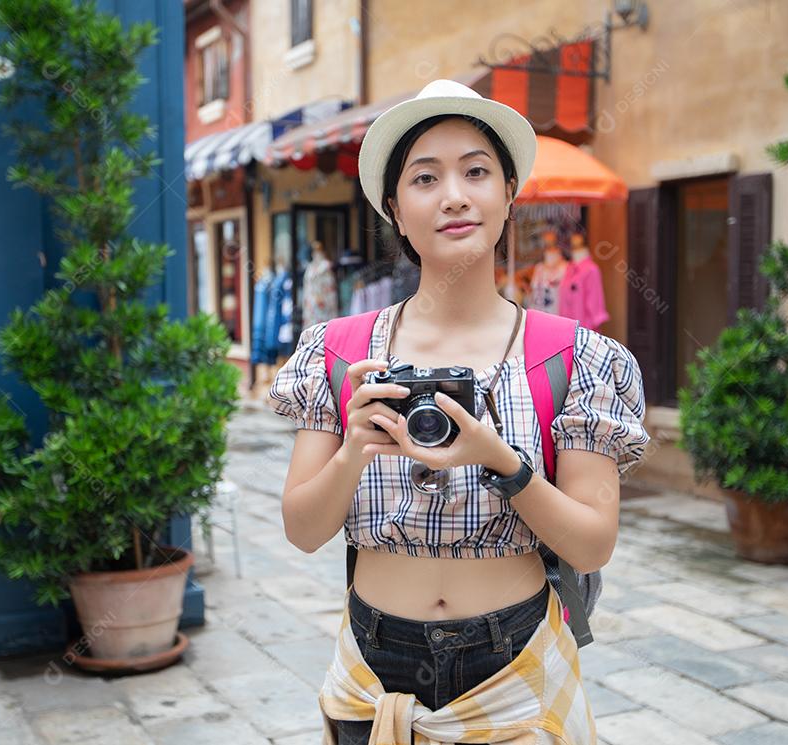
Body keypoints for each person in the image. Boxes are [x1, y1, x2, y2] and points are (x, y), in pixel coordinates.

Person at [267, 78, 649, 744]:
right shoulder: (338, 351)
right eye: (425, 178)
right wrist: (355, 444)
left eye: (476, 171)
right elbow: (303, 528)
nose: (453, 195)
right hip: (372, 671)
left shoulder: (578, 357)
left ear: (509, 193)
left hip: (516, 666)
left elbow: (592, 541)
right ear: (394, 207)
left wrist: (500, 460)